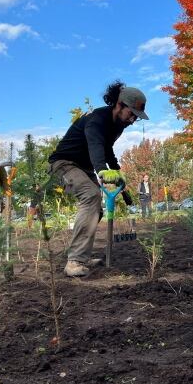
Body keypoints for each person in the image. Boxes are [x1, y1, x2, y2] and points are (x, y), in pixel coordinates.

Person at [48, 81, 147, 277]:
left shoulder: (118, 125)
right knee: (92, 196)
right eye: (132, 114)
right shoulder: (97, 120)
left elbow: (107, 149)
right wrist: (102, 170)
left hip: (83, 167)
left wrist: (118, 172)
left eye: (136, 117)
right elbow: (95, 145)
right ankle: (74, 261)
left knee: (96, 210)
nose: (133, 120)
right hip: (63, 163)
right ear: (119, 105)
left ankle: (81, 256)